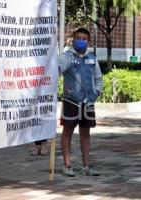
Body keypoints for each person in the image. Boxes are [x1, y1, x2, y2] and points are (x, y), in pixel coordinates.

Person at [58, 27, 103, 177]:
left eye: (84, 39)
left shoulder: (92, 58)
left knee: (85, 133)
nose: (81, 41)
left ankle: (86, 167)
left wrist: (97, 92)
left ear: (88, 41)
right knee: (67, 133)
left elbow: (98, 77)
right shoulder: (67, 57)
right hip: (72, 101)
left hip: (88, 102)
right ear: (73, 39)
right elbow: (58, 67)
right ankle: (67, 166)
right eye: (78, 38)